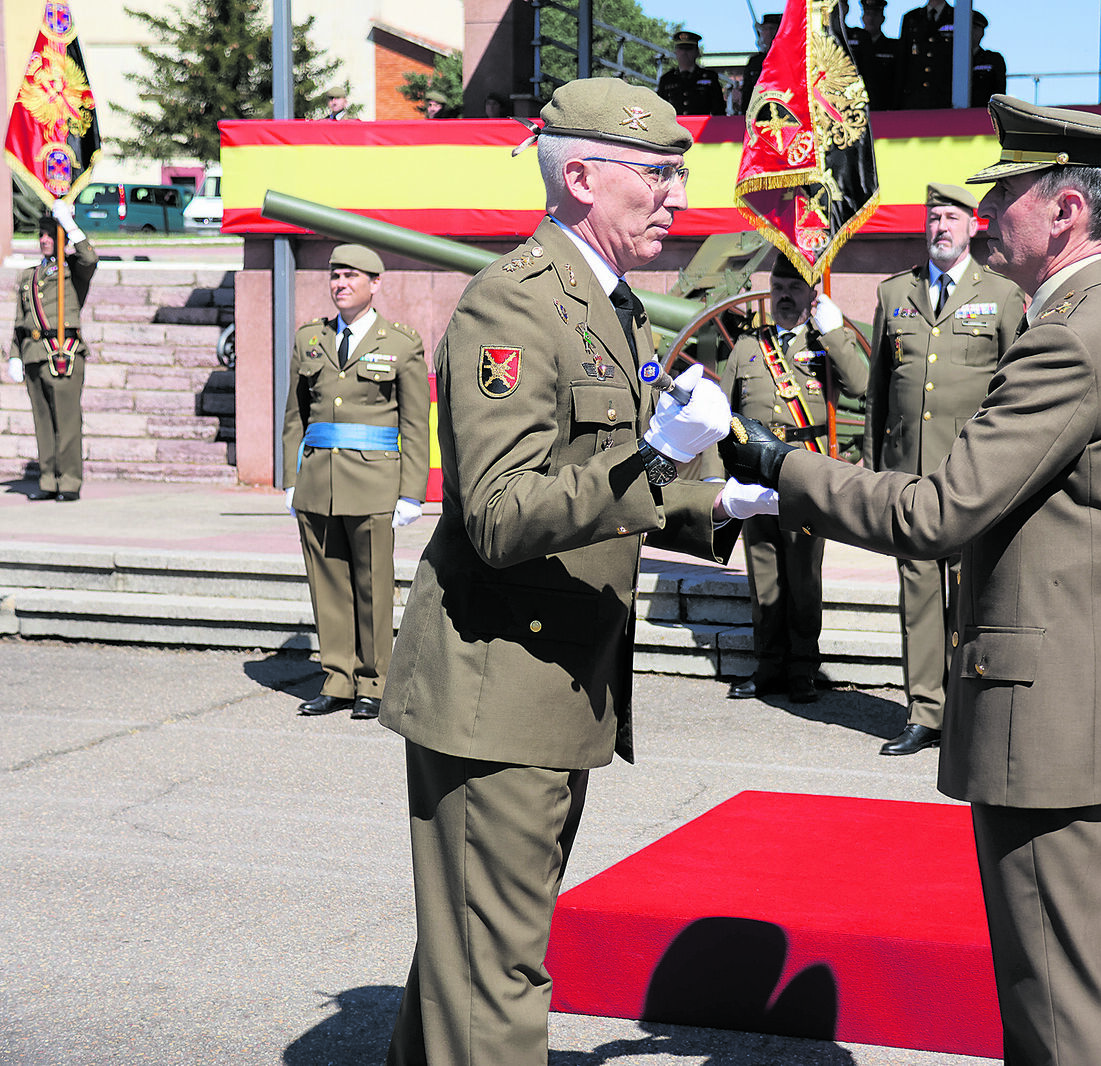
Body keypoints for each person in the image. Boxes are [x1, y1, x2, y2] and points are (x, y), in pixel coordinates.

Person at [719, 96, 1101, 1066]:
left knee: (1058, 997)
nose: (987, 214)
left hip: (1054, 706)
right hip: (1099, 694)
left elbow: (937, 513)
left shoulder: (1068, 335)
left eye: (1008, 192)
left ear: (1064, 210)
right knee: (1060, 979)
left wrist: (776, 466)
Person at [378, 78, 757, 1065]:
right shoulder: (516, 302)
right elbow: (503, 514)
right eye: (659, 175)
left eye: (680, 173)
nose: (677, 196)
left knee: (470, 952)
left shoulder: (602, 301)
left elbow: (591, 482)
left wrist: (713, 501)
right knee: (497, 973)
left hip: (549, 683)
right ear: (581, 177)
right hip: (497, 690)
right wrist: (661, 460)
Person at [867, 182, 1025, 756]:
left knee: (973, 592)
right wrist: (874, 466)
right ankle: (924, 710)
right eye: (933, 217)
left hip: (972, 474)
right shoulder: (894, 294)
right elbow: (879, 392)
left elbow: (1016, 389)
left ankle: (971, 707)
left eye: (952, 218)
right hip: (909, 475)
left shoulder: (1004, 296)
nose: (940, 227)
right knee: (918, 593)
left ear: (973, 228)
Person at [281, 244, 429, 721]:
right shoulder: (310, 339)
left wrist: (411, 492)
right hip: (318, 481)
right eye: (335, 276)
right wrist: (290, 478)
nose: (340, 284)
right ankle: (337, 678)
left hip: (373, 481)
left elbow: (415, 424)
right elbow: (293, 416)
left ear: (375, 284)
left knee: (372, 585)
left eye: (351, 276)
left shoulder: (400, 343)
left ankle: (374, 680)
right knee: (327, 585)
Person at [718, 254, 869, 704]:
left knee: (803, 574)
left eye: (795, 288)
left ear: (810, 295)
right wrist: (717, 481)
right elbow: (719, 416)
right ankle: (768, 666)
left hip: (805, 472)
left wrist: (835, 330)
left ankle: (803, 667)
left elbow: (860, 384)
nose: (785, 296)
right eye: (778, 287)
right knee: (763, 570)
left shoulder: (823, 343)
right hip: (754, 477)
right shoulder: (748, 347)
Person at [9, 201, 96, 502]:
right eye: (42, 236)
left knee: (67, 421)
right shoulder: (29, 276)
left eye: (51, 235)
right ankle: (48, 480)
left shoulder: (73, 269)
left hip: (63, 353)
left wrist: (70, 227)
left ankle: (69, 482)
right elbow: (20, 320)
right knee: (42, 421)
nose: (45, 240)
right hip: (33, 352)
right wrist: (15, 354)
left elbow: (90, 257)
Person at [897, 0, 956, 109]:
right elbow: (903, 60)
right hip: (915, 98)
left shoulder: (957, 16)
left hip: (945, 98)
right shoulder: (911, 18)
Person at [657, 30, 726, 116]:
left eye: (688, 49)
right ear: (676, 52)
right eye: (681, 48)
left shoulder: (709, 77)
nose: (684, 53)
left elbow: (719, 109)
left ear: (696, 52)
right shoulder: (667, 79)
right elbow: (660, 110)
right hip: (675, 127)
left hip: (701, 127)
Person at [849, 0, 900, 111]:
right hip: (856, 105)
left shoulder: (894, 47)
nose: (871, 19)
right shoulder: (852, 46)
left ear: (882, 18)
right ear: (862, 17)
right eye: (867, 14)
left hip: (883, 106)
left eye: (875, 14)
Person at [739, 13, 783, 112]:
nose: (768, 33)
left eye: (772, 28)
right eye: (765, 29)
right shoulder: (754, 62)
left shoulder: (788, 59)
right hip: (759, 114)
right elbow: (747, 93)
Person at [969, 12, 1007, 106]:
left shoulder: (993, 59)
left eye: (975, 28)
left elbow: (999, 94)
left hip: (982, 113)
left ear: (982, 33)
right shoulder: (947, 58)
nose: (971, 32)